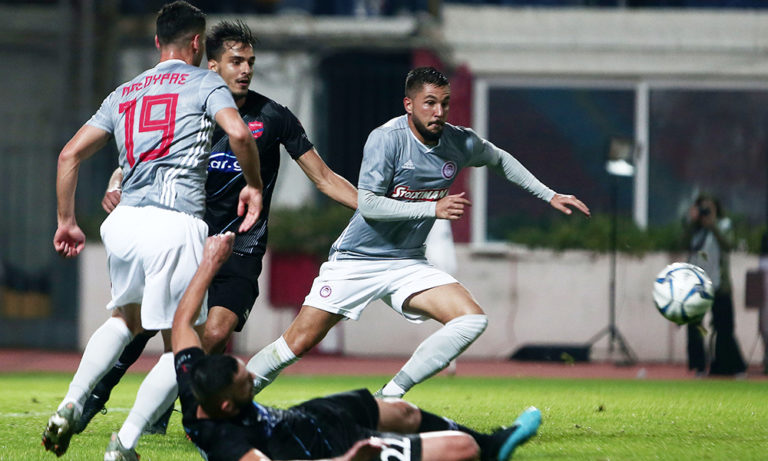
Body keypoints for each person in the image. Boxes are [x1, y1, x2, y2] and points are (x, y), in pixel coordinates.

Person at [75, 19, 357, 435]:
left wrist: (373, 206)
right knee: (143, 324)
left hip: (241, 246)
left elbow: (325, 178)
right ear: (212, 66)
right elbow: (140, 158)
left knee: (216, 331)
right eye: (236, 61)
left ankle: (163, 406)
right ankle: (97, 394)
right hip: (186, 237)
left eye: (250, 62)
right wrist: (116, 182)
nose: (245, 70)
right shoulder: (191, 109)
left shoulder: (273, 116)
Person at [246, 66, 591, 398]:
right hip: (356, 260)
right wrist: (432, 208)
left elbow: (499, 159)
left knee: (471, 320)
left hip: (407, 262)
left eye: (445, 103)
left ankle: (389, 396)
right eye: (430, 103)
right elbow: (369, 205)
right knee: (296, 344)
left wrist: (549, 194)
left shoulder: (458, 142)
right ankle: (233, 396)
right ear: (409, 105)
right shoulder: (386, 139)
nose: (439, 112)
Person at [42, 2, 264, 459]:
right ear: (199, 43)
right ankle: (125, 442)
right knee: (186, 340)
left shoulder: (124, 91)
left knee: (125, 320)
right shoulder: (205, 82)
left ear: (158, 41)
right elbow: (240, 135)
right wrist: (255, 186)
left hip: (124, 222)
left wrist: (67, 221)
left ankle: (70, 405)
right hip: (174, 221)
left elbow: (69, 155)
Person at [174, 232, 542, 461]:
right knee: (462, 450)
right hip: (328, 448)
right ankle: (483, 449)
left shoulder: (197, 385)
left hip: (311, 417)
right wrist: (348, 459)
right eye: (246, 384)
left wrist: (209, 263)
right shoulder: (227, 444)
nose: (252, 380)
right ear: (226, 406)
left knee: (402, 411)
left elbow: (181, 325)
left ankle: (494, 445)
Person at [684, 194, 747, 376]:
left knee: (724, 328)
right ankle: (699, 365)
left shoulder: (724, 225)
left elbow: (728, 245)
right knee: (694, 326)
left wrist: (712, 225)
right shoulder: (695, 230)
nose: (705, 212)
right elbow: (682, 243)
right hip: (698, 285)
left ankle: (729, 366)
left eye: (708, 208)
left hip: (720, 285)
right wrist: (692, 221)